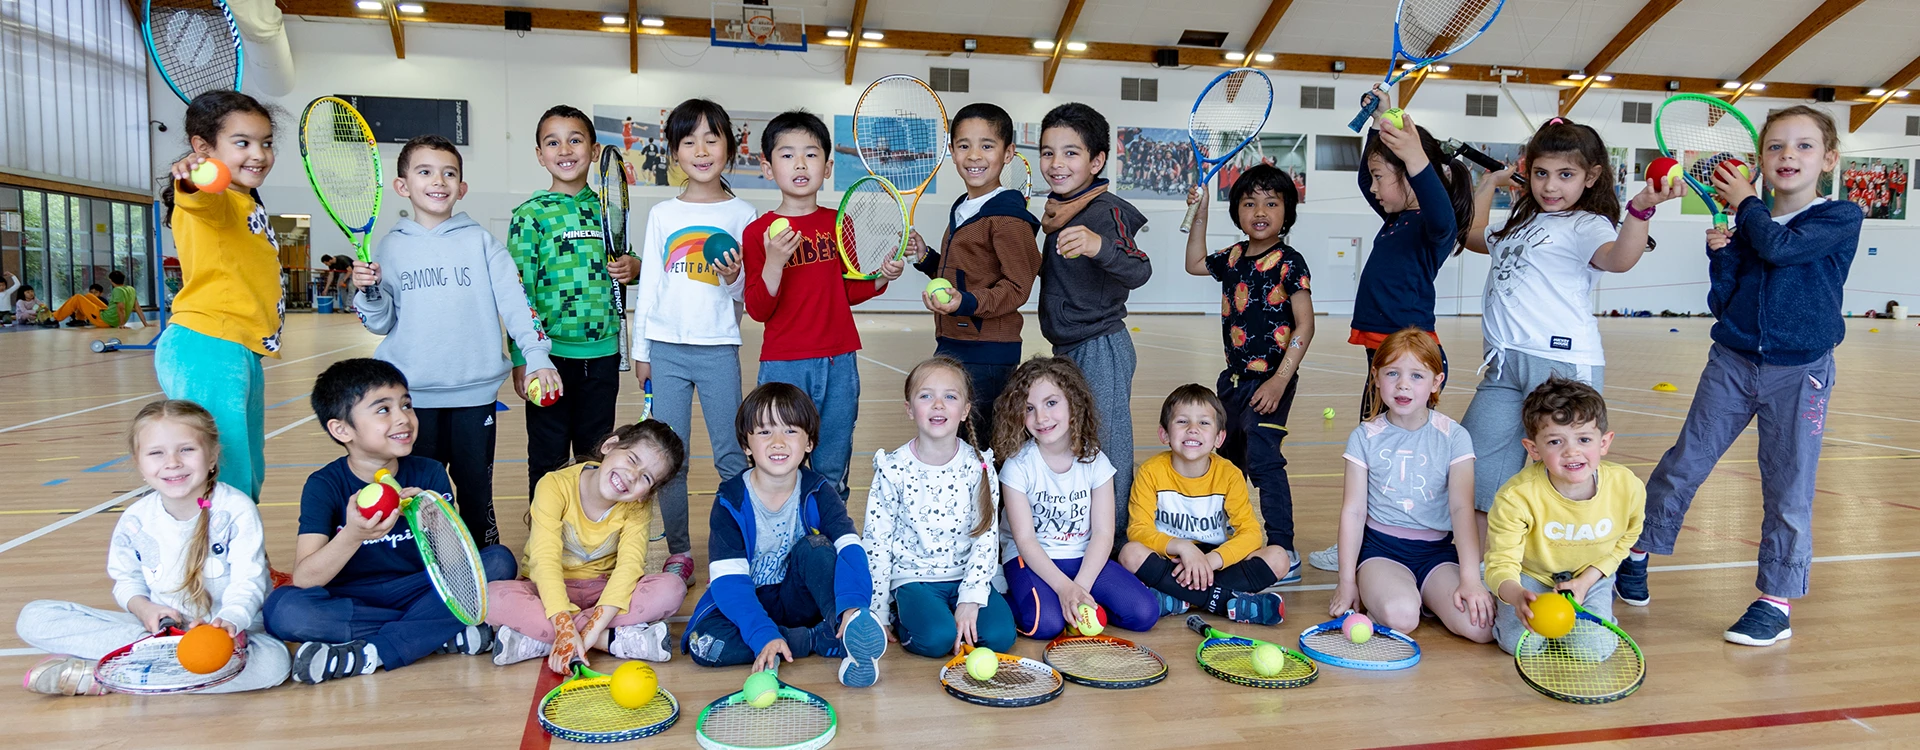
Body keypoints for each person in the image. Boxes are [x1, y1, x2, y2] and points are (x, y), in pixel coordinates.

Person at [1618, 106, 1861, 647]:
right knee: (1684, 462)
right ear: (1760, 158)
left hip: (1800, 374)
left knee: (1789, 487)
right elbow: (1723, 301)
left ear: (1829, 159)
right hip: (1732, 363)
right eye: (1775, 146)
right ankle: (1635, 556)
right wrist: (1721, 258)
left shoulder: (1840, 217)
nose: (1788, 156)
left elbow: (1783, 248)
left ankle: (1775, 602)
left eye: (1803, 146)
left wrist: (1747, 203)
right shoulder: (1748, 224)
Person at [1460, 118, 1674, 542]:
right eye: (1541, 173)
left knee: (1565, 477)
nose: (1550, 186)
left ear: (1591, 177)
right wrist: (1490, 184)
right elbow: (1472, 236)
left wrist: (1639, 210)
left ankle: (1573, 565)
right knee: (1475, 469)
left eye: (1565, 175)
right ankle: (1488, 572)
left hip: (1560, 365)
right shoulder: (1520, 223)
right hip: (1504, 367)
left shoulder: (1587, 225)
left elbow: (1619, 258)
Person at [351, 135, 560, 548]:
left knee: (475, 489)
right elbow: (381, 322)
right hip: (411, 399)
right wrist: (369, 293)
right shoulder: (390, 247)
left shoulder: (480, 241)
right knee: (419, 494)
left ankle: (486, 565)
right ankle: (421, 565)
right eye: (425, 171)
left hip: (474, 396)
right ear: (402, 185)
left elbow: (516, 304)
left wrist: (537, 356)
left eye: (449, 173)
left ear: (462, 187)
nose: (438, 181)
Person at [262, 359, 517, 684]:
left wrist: (435, 522)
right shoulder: (324, 484)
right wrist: (353, 535)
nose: (404, 418)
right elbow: (306, 578)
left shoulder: (429, 473)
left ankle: (370, 653)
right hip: (353, 599)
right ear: (342, 429)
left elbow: (458, 571)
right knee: (283, 610)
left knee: (498, 561)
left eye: (406, 405)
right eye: (383, 410)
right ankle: (436, 635)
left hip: (421, 588)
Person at [17, 399, 290, 696]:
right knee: (34, 618)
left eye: (186, 449)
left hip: (230, 637)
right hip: (160, 635)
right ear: (139, 463)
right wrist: (145, 609)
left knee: (274, 663)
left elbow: (249, 581)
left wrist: (231, 621)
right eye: (156, 453)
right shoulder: (136, 519)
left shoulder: (236, 509)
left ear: (212, 456)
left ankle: (112, 676)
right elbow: (127, 581)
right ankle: (159, 665)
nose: (172, 462)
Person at [1311, 93, 1474, 573]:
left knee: (1379, 445)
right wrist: (1381, 121)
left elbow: (1440, 210)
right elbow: (1366, 177)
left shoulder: (1432, 227)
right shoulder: (1394, 220)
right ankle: (1370, 541)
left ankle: (1375, 544)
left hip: (1406, 355)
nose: (1375, 188)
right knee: (1374, 445)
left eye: (1385, 177)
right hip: (1384, 354)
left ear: (1409, 173)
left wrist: (1412, 154)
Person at [744, 110, 904, 504]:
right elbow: (758, 308)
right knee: (781, 462)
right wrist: (775, 262)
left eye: (811, 154)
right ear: (767, 167)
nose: (800, 164)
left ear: (828, 166)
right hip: (784, 363)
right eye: (786, 155)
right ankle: (783, 538)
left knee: (833, 461)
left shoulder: (838, 223)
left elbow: (845, 290)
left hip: (839, 360)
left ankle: (830, 540)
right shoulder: (756, 232)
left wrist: (882, 277)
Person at [682, 383, 888, 688]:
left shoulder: (819, 490)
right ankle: (813, 640)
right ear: (746, 445)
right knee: (704, 644)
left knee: (818, 547)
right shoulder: (731, 500)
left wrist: (853, 607)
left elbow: (850, 548)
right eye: (765, 432)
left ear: (809, 442)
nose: (778, 442)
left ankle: (842, 627)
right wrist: (762, 633)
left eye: (790, 431)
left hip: (797, 598)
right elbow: (729, 584)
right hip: (748, 600)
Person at [630, 99, 758, 585]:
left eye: (712, 139)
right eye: (689, 142)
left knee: (730, 456)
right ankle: (679, 551)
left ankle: (734, 546)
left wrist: (731, 278)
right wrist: (642, 352)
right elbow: (652, 288)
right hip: (665, 350)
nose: (701, 151)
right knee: (670, 456)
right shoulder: (663, 214)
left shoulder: (744, 215)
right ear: (674, 152)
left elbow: (746, 296)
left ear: (730, 147)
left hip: (718, 349)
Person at [157, 90, 289, 502]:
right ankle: (221, 564)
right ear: (202, 147)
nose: (260, 154)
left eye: (266, 143)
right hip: (209, 345)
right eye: (243, 143)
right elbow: (199, 200)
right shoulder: (215, 199)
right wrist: (191, 177)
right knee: (223, 471)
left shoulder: (244, 201)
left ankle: (247, 560)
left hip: (238, 348)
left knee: (248, 464)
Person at [1184, 163, 1313, 583]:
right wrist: (1200, 210)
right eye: (1249, 202)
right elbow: (1194, 264)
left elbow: (1305, 325)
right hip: (1233, 383)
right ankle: (1231, 537)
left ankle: (1283, 548)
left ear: (1286, 212)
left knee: (1264, 460)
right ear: (1237, 211)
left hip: (1271, 382)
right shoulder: (1235, 256)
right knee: (1228, 462)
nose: (1260, 210)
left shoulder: (1290, 262)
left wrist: (1279, 380)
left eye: (1271, 203)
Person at [1328, 329, 1494, 643]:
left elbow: (1461, 509)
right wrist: (1346, 581)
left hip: (1437, 554)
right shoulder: (1364, 437)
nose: (1403, 384)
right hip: (1382, 551)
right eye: (1393, 373)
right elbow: (1353, 511)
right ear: (1375, 378)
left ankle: (1423, 593)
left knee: (1481, 629)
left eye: (1417, 375)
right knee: (1402, 616)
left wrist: (1471, 579)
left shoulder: (1454, 437)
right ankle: (1386, 592)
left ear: (1436, 382)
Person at [1035, 103, 1152, 548]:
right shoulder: (1057, 212)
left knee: (1107, 447)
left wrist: (1099, 245)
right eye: (1048, 153)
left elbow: (1140, 270)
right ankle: (1083, 535)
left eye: (1070, 153)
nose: (1057, 164)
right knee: (1077, 443)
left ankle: (1120, 542)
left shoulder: (1105, 212)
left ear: (1097, 161)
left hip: (1101, 345)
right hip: (1067, 348)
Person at [508, 105, 639, 499]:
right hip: (548, 360)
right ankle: (543, 541)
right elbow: (518, 293)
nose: (565, 149)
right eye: (553, 142)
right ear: (539, 154)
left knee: (595, 456)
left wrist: (635, 266)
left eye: (576, 140)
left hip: (601, 359)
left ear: (594, 150)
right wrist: (522, 358)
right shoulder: (529, 216)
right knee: (547, 458)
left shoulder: (606, 210)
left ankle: (588, 541)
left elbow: (626, 261)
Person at [487, 421, 689, 669]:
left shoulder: (638, 506)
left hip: (603, 592)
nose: (632, 476)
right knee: (491, 598)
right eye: (632, 459)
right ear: (609, 445)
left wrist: (590, 630)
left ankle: (541, 640)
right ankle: (614, 641)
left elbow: (629, 568)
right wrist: (565, 625)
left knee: (672, 589)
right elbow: (544, 562)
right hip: (547, 590)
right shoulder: (554, 485)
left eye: (646, 477)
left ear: (648, 493)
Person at [994, 356, 1158, 639]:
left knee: (1144, 613)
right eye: (1029, 408)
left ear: (1074, 403)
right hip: (1031, 558)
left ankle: (1073, 600)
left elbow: (1104, 535)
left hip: (1082, 557)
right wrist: (1064, 588)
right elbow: (1026, 541)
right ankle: (998, 598)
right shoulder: (1018, 466)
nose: (1041, 417)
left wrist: (1079, 586)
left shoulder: (1096, 461)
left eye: (1051, 403)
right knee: (1046, 625)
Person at [862, 357, 1015, 658]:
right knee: (937, 639)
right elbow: (876, 544)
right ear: (909, 409)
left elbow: (986, 539)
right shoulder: (892, 468)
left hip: (964, 575)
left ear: (965, 410)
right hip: (914, 579)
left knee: (999, 636)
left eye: (950, 396)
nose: (938, 405)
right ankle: (902, 613)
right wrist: (877, 612)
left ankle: (958, 612)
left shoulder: (979, 466)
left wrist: (971, 598)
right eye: (926, 395)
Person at [1486, 376, 1643, 654]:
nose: (1572, 451)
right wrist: (1517, 595)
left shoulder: (1627, 486)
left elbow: (1627, 538)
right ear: (1533, 449)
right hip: (1530, 577)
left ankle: (1597, 608)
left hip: (1588, 578)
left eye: (1584, 439)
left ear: (1604, 442)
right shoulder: (1516, 496)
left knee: (1594, 651)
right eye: (1556, 441)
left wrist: (1587, 581)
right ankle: (1500, 601)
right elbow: (1502, 562)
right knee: (1521, 646)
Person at [909, 103, 1043, 423]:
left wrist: (964, 302)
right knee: (956, 440)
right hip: (953, 341)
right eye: (964, 146)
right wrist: (927, 258)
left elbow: (1016, 288)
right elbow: (967, 273)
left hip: (988, 354)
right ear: (952, 152)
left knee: (983, 442)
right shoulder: (963, 208)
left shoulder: (1008, 218)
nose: (974, 156)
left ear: (1008, 153)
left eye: (987, 145)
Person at [1117, 385, 1290, 625]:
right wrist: (1184, 548)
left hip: (1215, 562)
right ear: (1164, 434)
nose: (1193, 430)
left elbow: (1250, 534)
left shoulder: (1229, 474)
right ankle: (1225, 602)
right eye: (1182, 421)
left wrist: (1211, 561)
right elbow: (1138, 530)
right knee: (1130, 553)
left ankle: (1179, 598)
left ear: (1219, 438)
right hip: (1172, 559)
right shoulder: (1150, 472)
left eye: (1204, 423)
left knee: (1279, 558)